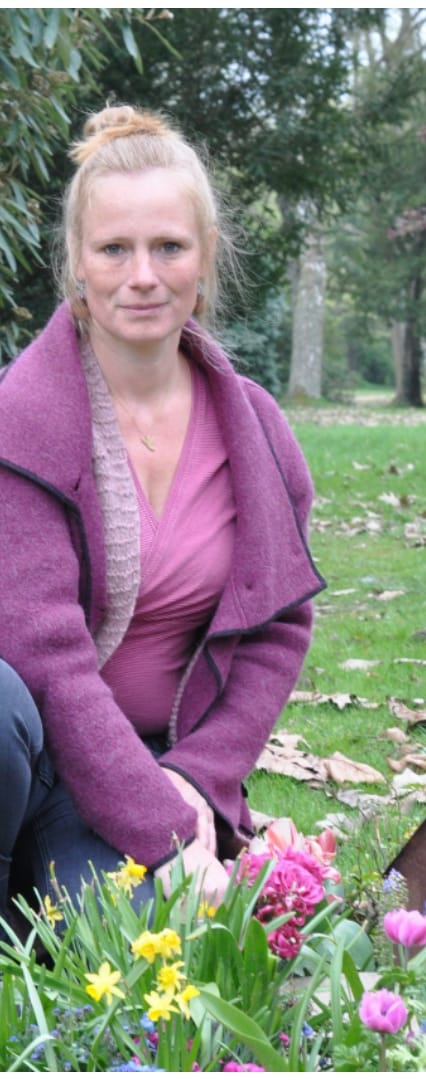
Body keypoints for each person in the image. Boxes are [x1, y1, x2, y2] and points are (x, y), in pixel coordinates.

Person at [0, 105, 324, 920]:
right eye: (114, 248)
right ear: (77, 260)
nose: (141, 275)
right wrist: (170, 831)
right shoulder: (21, 423)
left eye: (168, 247)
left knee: (170, 961)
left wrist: (197, 779)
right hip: (39, 757)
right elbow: (45, 660)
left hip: (166, 763)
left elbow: (278, 627)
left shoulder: (257, 431)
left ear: (204, 258)